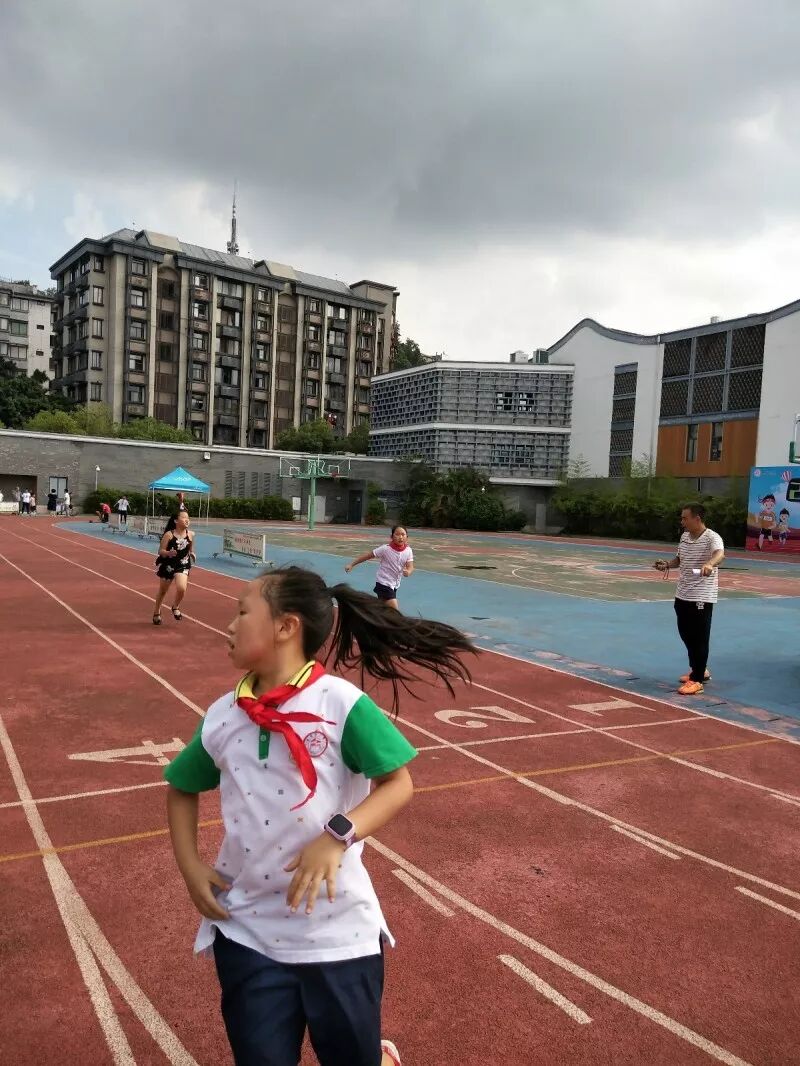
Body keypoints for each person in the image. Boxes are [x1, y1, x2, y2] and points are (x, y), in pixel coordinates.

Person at [164, 565, 474, 1066]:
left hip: (338, 933)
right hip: (248, 931)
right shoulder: (224, 714)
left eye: (243, 612)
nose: (230, 624)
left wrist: (337, 836)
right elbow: (181, 787)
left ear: (286, 626)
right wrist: (189, 866)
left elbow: (398, 783)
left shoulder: (341, 704)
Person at [653, 503, 725, 695]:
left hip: (701, 596)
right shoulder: (685, 537)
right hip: (682, 594)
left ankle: (697, 680)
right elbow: (679, 560)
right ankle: (699, 669)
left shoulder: (712, 537)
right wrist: (667, 565)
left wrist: (710, 564)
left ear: (697, 518)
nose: (682, 521)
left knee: (699, 637)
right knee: (686, 634)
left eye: (685, 518)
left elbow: (720, 554)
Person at [344, 526, 414, 610]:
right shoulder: (385, 549)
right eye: (397, 534)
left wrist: (408, 571)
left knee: (384, 609)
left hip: (395, 584)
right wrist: (352, 564)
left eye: (403, 534)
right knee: (394, 610)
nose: (400, 537)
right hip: (383, 583)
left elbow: (410, 566)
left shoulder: (408, 551)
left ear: (407, 537)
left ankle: (367, 611)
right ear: (391, 537)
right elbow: (368, 556)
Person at [152, 512, 196, 624]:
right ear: (176, 521)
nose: (187, 520)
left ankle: (175, 606)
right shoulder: (169, 535)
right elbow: (160, 551)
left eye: (188, 518)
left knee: (182, 588)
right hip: (169, 565)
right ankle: (157, 612)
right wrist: (168, 553)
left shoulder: (190, 534)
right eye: (184, 517)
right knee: (163, 591)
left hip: (183, 564)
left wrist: (192, 553)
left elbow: (190, 547)